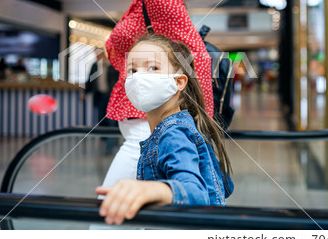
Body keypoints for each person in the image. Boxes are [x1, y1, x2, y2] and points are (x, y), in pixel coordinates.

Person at [103, 0, 214, 188]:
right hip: (144, 125)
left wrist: (199, 124)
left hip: (148, 128)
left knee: (109, 214)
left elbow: (196, 57)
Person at [96, 35, 233, 225]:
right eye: (132, 70)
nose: (139, 77)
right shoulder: (182, 125)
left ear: (179, 82)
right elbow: (224, 186)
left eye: (153, 68)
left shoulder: (173, 134)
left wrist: (151, 190)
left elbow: (196, 193)